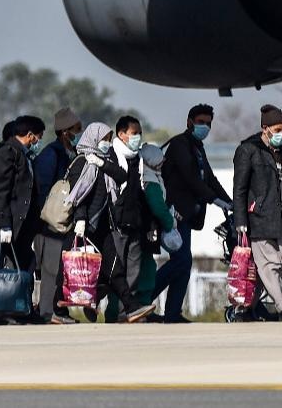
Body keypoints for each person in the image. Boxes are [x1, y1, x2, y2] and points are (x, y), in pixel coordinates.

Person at [156, 104, 231, 323]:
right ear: (189, 121)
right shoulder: (180, 144)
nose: (205, 126)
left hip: (187, 216)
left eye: (208, 123)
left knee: (184, 263)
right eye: (201, 122)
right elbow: (191, 178)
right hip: (174, 215)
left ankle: (172, 313)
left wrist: (229, 201)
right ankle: (142, 300)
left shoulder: (197, 146)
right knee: (181, 261)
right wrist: (214, 200)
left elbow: (209, 178)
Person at [76, 117, 155, 324]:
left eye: (139, 133)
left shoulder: (137, 159)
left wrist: (150, 224)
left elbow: (141, 192)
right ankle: (106, 304)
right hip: (116, 223)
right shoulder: (108, 155)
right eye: (134, 133)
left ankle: (125, 313)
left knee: (133, 272)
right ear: (122, 134)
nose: (138, 137)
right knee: (113, 272)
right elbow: (84, 192)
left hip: (135, 221)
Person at [0, 115, 46, 325]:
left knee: (26, 263)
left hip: (17, 226)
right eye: (38, 136)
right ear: (30, 135)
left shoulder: (21, 154)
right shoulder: (7, 153)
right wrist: (4, 224)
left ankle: (19, 310)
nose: (39, 140)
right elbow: (0, 192)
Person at [233, 105, 282, 321]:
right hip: (258, 218)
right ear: (265, 128)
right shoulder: (248, 150)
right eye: (277, 129)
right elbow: (240, 189)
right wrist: (240, 220)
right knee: (269, 264)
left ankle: (244, 310)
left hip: (280, 218)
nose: (281, 134)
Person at [33, 108, 83, 324]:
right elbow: (42, 191)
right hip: (49, 225)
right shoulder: (50, 155)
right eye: (75, 129)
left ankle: (57, 311)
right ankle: (47, 312)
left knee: (61, 271)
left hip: (63, 224)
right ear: (64, 131)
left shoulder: (69, 153)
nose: (78, 133)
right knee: (51, 271)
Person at [137, 144, 181, 320]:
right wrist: (171, 223)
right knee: (147, 269)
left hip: (140, 230)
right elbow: (158, 207)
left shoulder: (142, 177)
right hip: (147, 231)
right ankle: (142, 308)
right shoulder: (152, 182)